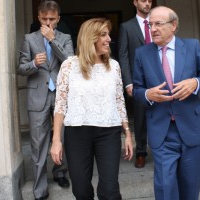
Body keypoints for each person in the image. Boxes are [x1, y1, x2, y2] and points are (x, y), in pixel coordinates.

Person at [133, 6, 200, 200]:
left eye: (158, 24)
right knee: (165, 187)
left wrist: (195, 83)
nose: (152, 29)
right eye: (150, 24)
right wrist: (148, 94)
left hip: (191, 128)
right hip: (162, 131)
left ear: (173, 25)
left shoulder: (192, 46)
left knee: (190, 187)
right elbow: (137, 90)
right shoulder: (142, 54)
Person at [50, 18, 134, 200]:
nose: (109, 39)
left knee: (110, 191)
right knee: (80, 190)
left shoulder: (114, 66)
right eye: (103, 35)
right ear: (90, 38)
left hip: (109, 133)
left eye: (108, 34)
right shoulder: (69, 66)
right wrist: (56, 140)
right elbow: (60, 105)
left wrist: (127, 133)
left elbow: (119, 101)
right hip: (77, 133)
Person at [18, 1, 74, 199]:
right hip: (37, 95)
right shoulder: (29, 39)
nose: (48, 23)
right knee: (37, 142)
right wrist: (33, 63)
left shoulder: (65, 38)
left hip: (60, 94)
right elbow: (21, 68)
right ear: (38, 18)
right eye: (44, 19)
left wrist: (52, 41)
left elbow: (70, 62)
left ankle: (60, 172)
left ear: (58, 18)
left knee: (63, 137)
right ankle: (39, 188)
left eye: (52, 19)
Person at [118, 0, 152, 168]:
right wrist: (128, 82)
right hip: (138, 80)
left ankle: (163, 149)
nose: (147, 3)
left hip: (159, 78)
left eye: (150, 0)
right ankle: (141, 152)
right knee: (140, 118)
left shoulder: (158, 23)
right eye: (143, 0)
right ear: (135, 2)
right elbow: (123, 56)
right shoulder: (127, 27)